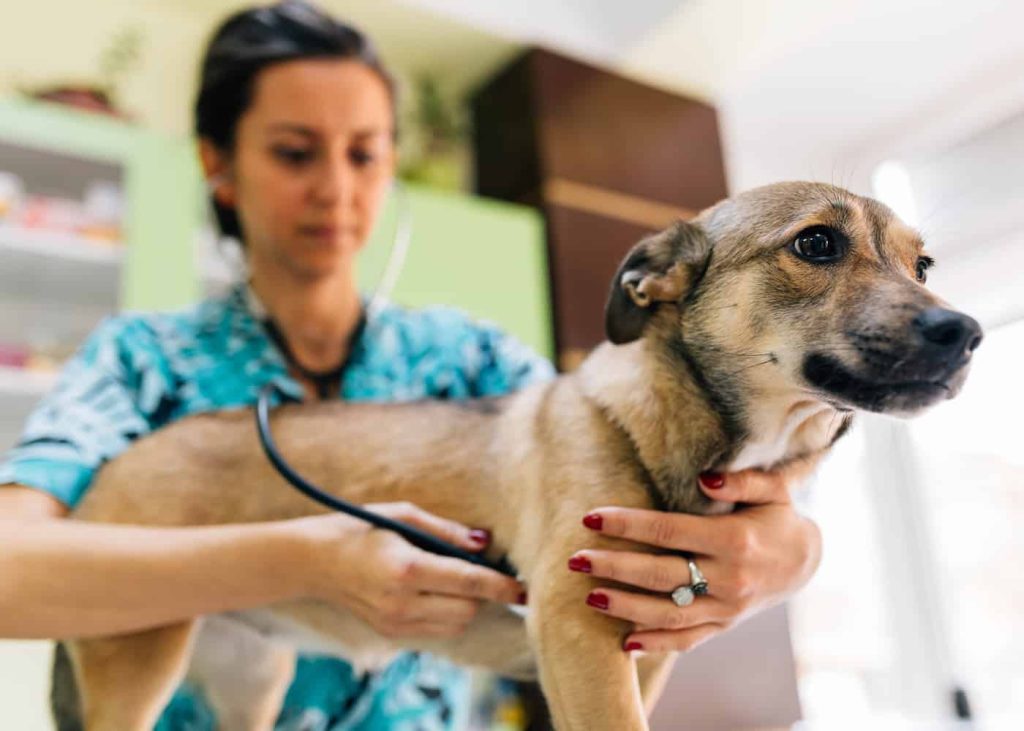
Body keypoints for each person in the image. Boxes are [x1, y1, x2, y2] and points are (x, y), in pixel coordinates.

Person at [0, 1, 822, 728]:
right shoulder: (140, 362)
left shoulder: (474, 362)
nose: (336, 187)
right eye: (295, 152)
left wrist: (791, 552)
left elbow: (615, 504)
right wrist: (300, 559)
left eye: (364, 153)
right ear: (218, 164)